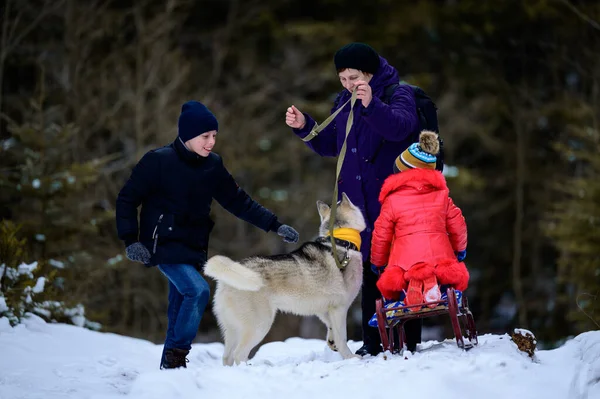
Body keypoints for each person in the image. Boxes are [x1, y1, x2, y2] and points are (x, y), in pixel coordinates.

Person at [116, 100, 299, 369]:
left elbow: (238, 201)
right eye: (205, 136)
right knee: (197, 291)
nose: (211, 142)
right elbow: (127, 199)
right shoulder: (158, 161)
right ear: (188, 135)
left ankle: (170, 372)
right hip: (161, 243)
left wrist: (274, 224)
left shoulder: (212, 165)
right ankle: (177, 354)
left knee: (179, 304)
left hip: (194, 246)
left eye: (214, 136)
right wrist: (131, 239)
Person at [285, 42, 420, 356]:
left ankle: (407, 340)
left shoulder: (398, 93)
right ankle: (374, 342)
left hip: (391, 198)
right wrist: (304, 125)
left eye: (354, 77)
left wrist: (372, 105)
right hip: (357, 203)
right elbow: (332, 144)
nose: (348, 84)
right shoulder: (344, 100)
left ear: (370, 73)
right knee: (367, 270)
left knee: (397, 268)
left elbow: (401, 128)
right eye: (342, 78)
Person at [370, 131, 469, 318]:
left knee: (398, 280)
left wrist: (378, 262)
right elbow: (458, 225)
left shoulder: (392, 201)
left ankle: (402, 301)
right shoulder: (442, 197)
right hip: (440, 260)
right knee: (445, 273)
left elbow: (381, 235)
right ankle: (445, 293)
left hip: (404, 265)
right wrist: (460, 249)